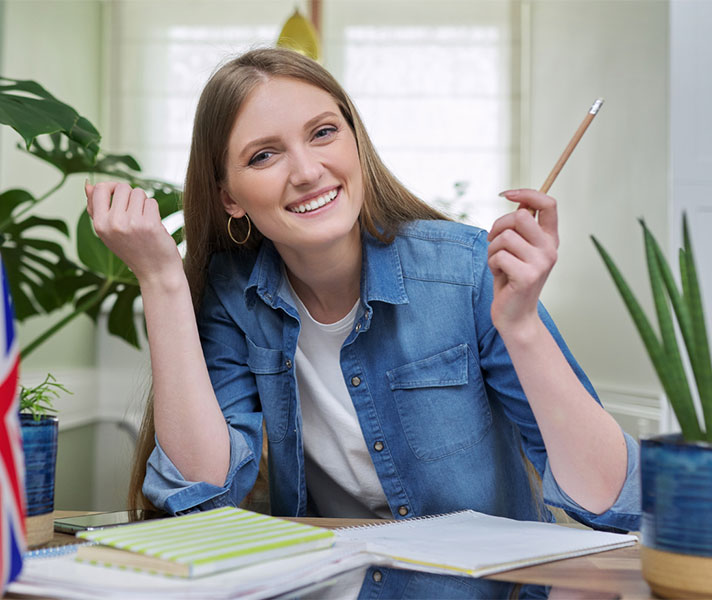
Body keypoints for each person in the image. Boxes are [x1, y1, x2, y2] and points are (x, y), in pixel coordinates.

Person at [86, 48, 640, 533]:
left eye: (323, 133)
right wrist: (161, 280)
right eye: (264, 155)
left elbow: (609, 500)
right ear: (229, 197)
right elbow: (203, 493)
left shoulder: (464, 269)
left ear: (356, 141)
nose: (307, 171)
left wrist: (520, 327)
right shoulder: (234, 296)